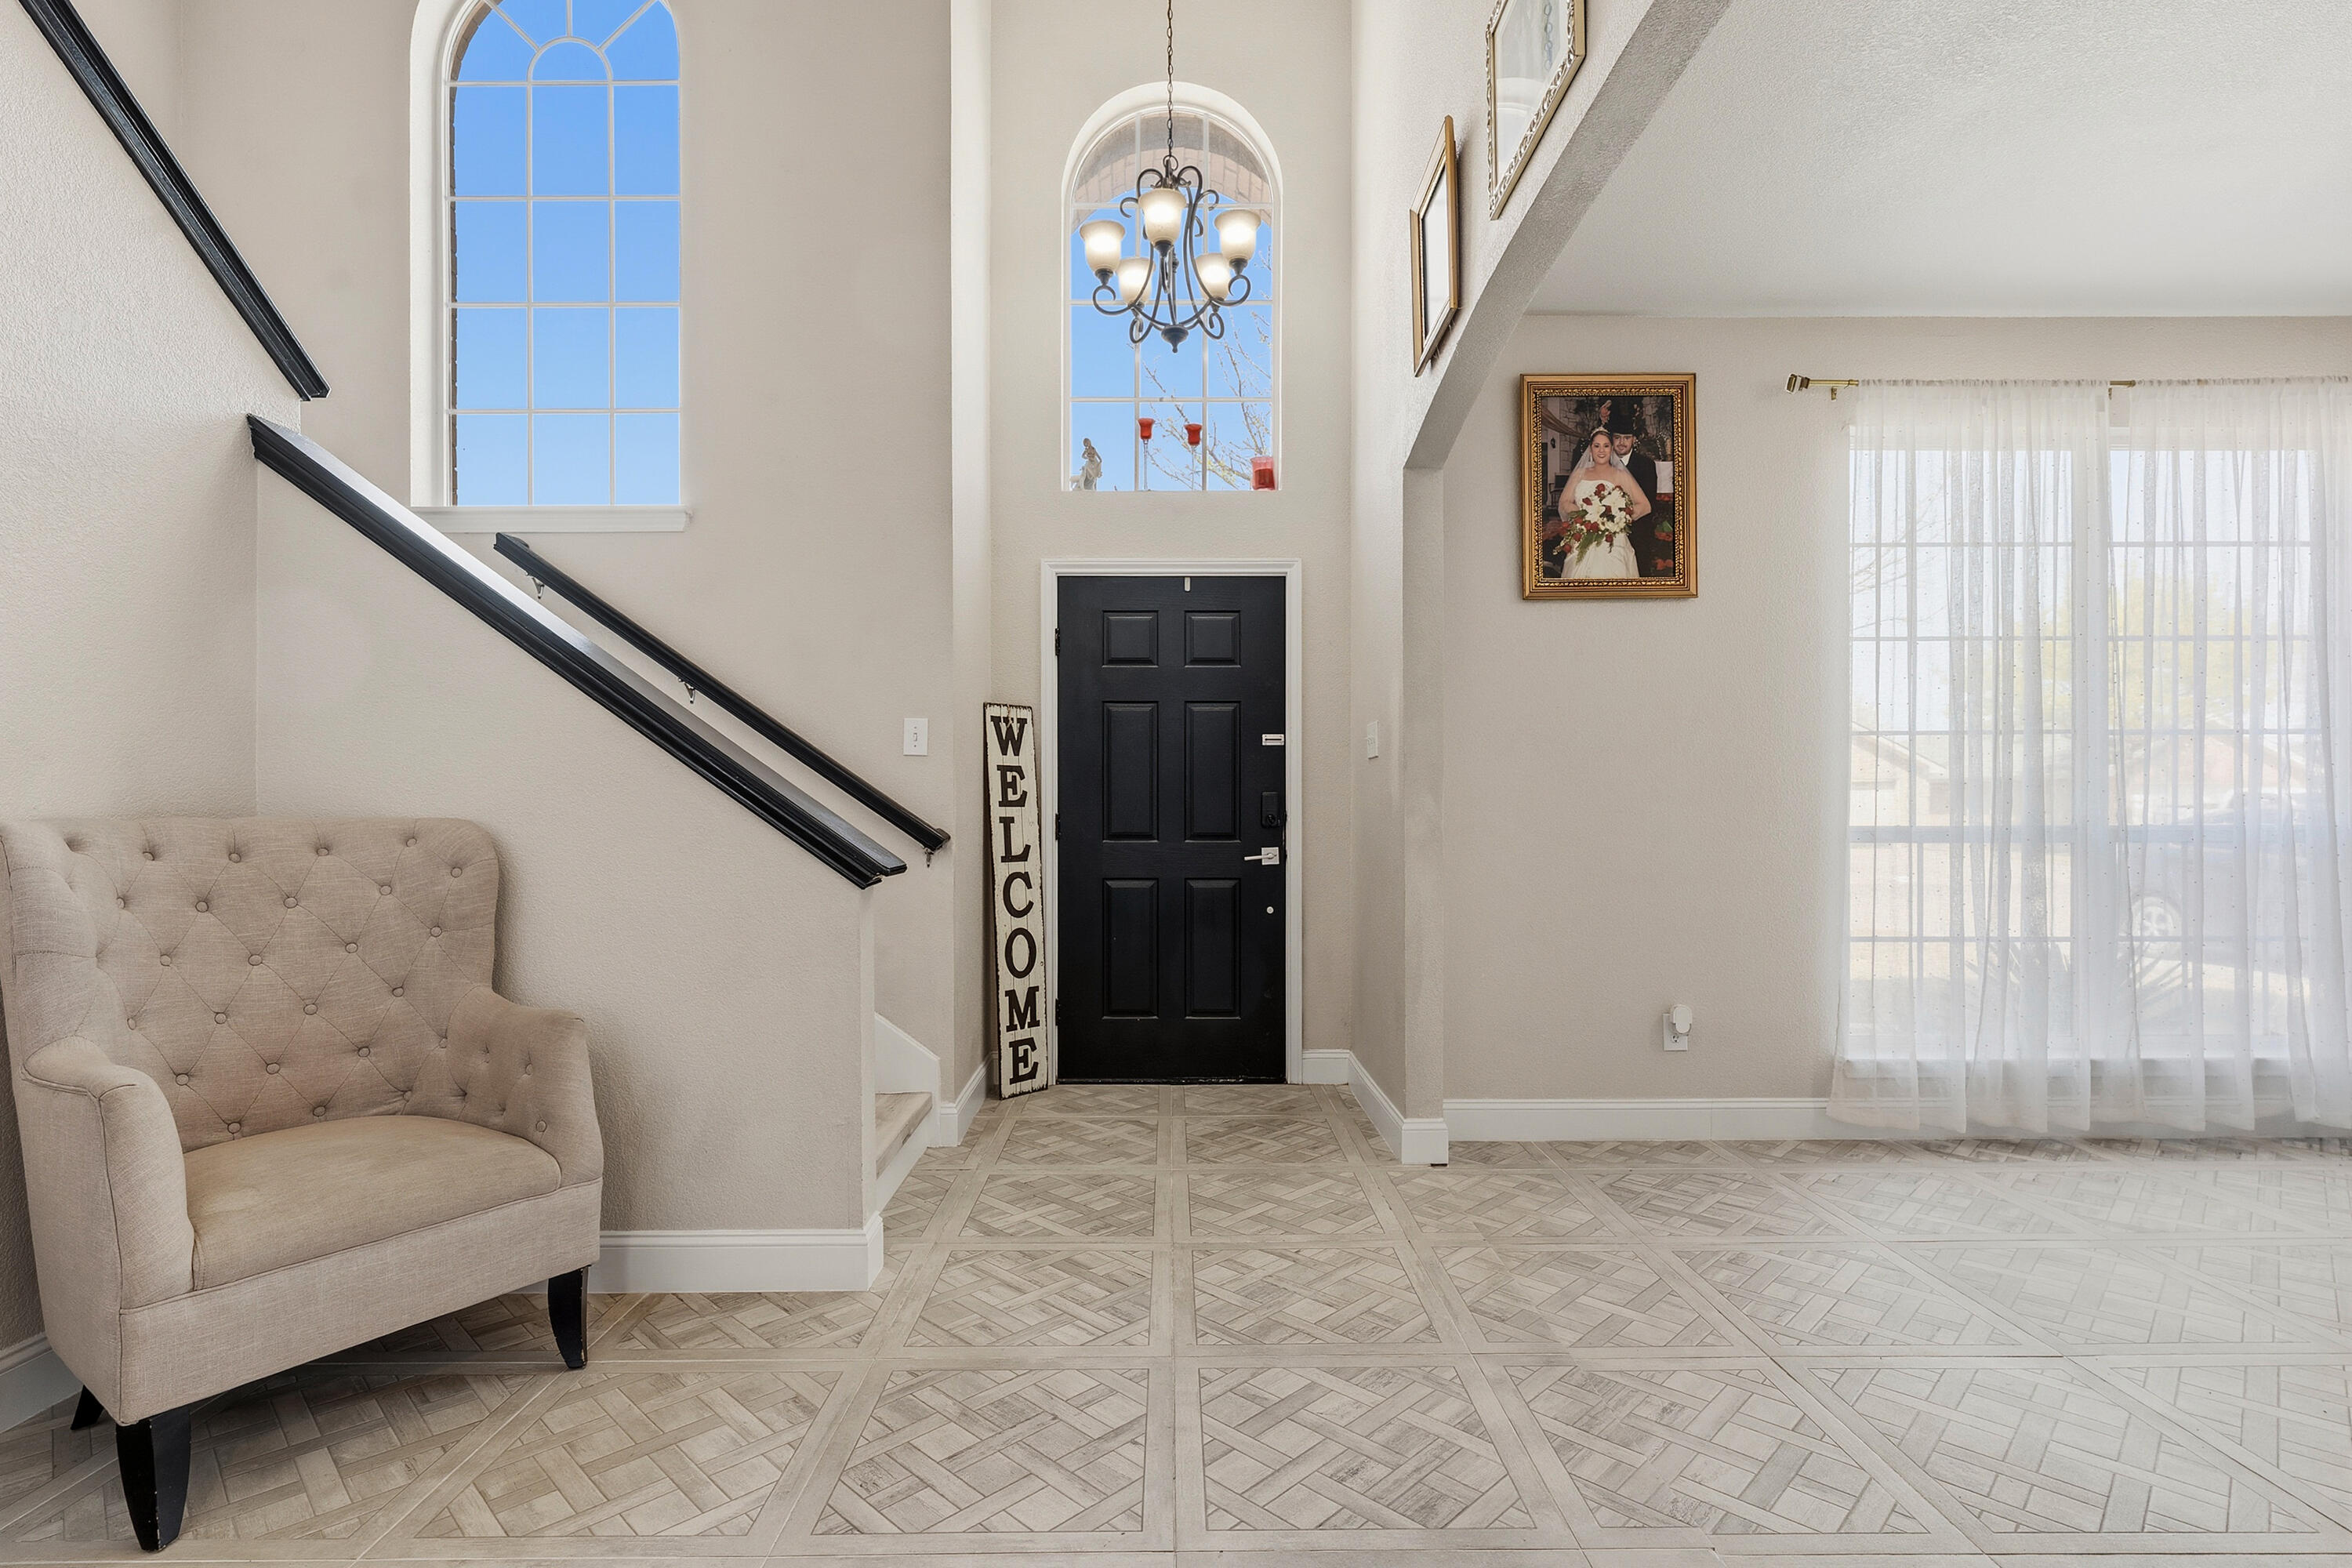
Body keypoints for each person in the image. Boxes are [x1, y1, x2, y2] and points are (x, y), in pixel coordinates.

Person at [1559, 426, 1649, 579]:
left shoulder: (1620, 475)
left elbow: (1645, 506)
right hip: (1584, 537)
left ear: (1611, 449)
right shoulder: (1579, 474)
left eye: (1606, 446)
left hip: (1612, 540)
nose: (1601, 450)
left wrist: (1618, 517)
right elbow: (1564, 503)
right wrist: (1584, 515)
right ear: (1590, 449)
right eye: (1597, 446)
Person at [1609, 418, 1674, 576]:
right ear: (1612, 440)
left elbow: (1649, 501)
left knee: (1638, 574)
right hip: (1608, 531)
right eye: (1617, 438)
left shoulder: (1646, 464)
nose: (1622, 442)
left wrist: (1624, 520)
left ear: (1634, 439)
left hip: (1639, 530)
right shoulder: (1605, 463)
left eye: (1626, 438)